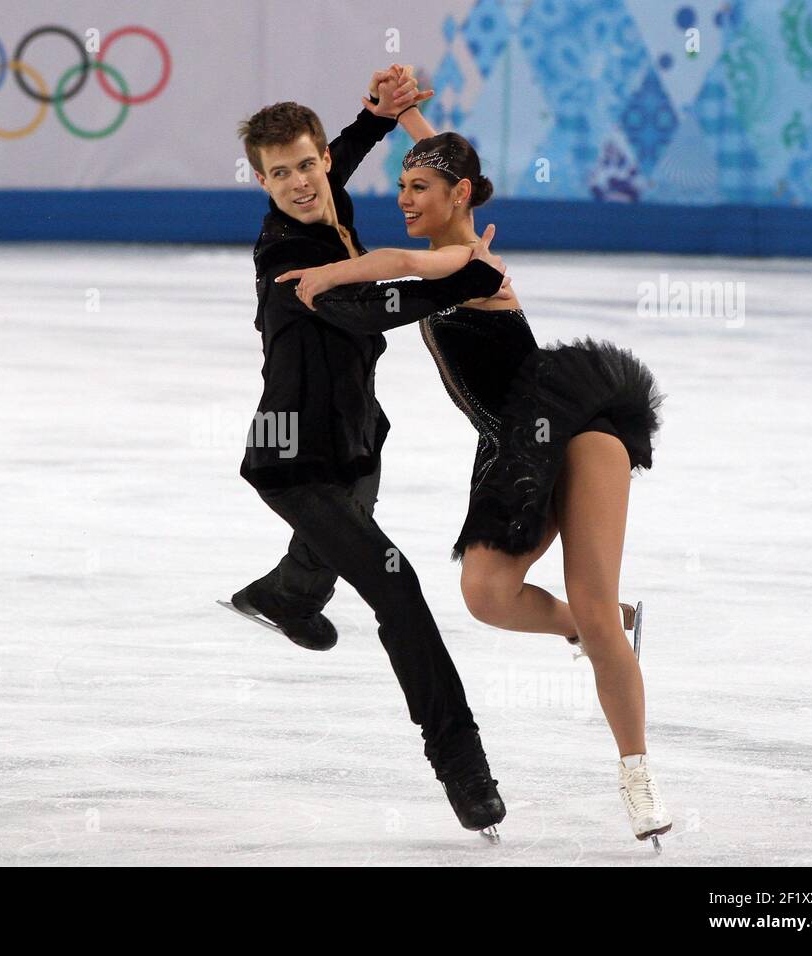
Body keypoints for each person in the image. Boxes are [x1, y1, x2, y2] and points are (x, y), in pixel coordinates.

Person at [275, 82, 672, 846]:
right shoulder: (449, 249)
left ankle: (637, 775)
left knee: (590, 599)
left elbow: (394, 258)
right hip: (508, 449)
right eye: (398, 186)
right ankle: (609, 629)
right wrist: (405, 121)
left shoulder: (472, 266)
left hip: (577, 432)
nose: (401, 197)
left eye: (416, 187)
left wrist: (328, 277)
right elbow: (440, 181)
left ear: (456, 195)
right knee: (485, 592)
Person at [229, 71, 512, 838]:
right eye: (276, 172)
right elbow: (365, 313)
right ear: (260, 181)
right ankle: (464, 768)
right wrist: (465, 280)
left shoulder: (333, 204)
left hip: (357, 443)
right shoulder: (284, 251)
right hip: (293, 459)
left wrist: (373, 119)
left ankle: (286, 595)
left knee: (332, 550)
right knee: (398, 591)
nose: (295, 182)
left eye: (305, 165)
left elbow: (342, 163)